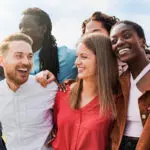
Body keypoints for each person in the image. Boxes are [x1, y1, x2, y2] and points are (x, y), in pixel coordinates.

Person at [49, 33, 119, 150]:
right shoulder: (63, 93)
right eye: (77, 56)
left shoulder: (116, 101)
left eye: (84, 57)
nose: (76, 62)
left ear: (102, 60)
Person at [0, 33, 57, 150]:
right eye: (18, 56)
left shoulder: (47, 87)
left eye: (30, 56)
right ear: (2, 60)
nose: (26, 62)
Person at [109, 20, 150, 150]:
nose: (119, 42)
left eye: (126, 36)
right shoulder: (120, 82)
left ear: (142, 41)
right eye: (114, 41)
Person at [19, 7, 77, 83]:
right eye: (20, 27)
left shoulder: (67, 55)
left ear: (43, 29)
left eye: (27, 26)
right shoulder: (15, 61)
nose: (22, 31)